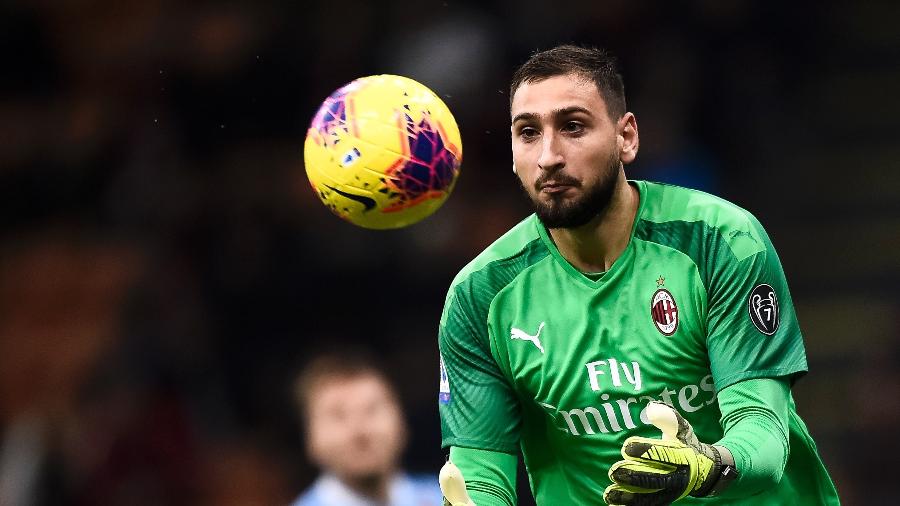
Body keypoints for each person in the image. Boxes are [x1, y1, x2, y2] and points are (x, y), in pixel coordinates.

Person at [436, 45, 840, 505]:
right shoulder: (480, 296)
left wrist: (707, 464)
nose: (548, 156)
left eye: (573, 127)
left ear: (626, 137)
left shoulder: (720, 241)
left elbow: (764, 436)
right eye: (528, 133)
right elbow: (479, 477)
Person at [291, 351, 443, 506]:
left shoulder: (449, 497)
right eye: (338, 415)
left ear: (402, 422)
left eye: (372, 409)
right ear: (310, 437)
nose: (360, 430)